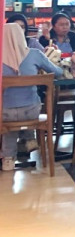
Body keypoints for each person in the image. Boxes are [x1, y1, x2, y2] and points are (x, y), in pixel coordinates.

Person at [2, 22, 61, 169]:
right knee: (27, 109)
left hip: (4, 112)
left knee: (9, 124)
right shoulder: (35, 54)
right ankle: (29, 137)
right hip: (31, 111)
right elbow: (57, 72)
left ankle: (8, 159)